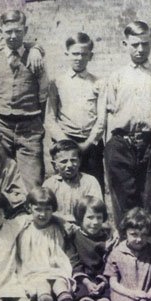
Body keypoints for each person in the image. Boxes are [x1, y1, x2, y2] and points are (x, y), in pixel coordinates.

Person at [102, 20, 151, 230]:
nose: (140, 49)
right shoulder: (116, 77)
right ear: (125, 44)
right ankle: (126, 243)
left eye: (145, 44)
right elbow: (108, 114)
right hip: (122, 143)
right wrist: (110, 148)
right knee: (124, 202)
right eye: (135, 44)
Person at [0, 9, 47, 189]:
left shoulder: (36, 59)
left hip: (29, 127)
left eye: (18, 31)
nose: (13, 36)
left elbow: (43, 94)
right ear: (0, 32)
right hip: (1, 125)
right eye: (8, 31)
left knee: (32, 180)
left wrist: (35, 48)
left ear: (25, 30)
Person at [45, 32, 105, 192]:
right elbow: (50, 118)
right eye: (75, 54)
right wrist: (65, 142)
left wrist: (87, 143)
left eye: (84, 54)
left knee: (93, 186)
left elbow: (101, 120)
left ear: (90, 56)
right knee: (65, 186)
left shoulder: (98, 83)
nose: (79, 58)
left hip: (90, 144)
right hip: (65, 141)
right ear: (67, 54)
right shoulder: (57, 82)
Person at [14, 187, 78, 301]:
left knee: (60, 284)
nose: (42, 214)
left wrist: (61, 221)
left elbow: (72, 226)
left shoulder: (56, 227)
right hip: (33, 271)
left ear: (53, 210)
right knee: (43, 285)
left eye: (48, 210)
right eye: (38, 209)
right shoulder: (23, 225)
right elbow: (7, 226)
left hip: (55, 268)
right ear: (29, 208)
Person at [65, 196, 111, 301]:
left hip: (102, 279)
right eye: (90, 218)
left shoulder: (107, 239)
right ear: (80, 218)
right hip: (82, 279)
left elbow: (109, 263)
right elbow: (74, 262)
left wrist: (102, 281)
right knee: (84, 298)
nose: (95, 222)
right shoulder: (74, 237)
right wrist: (87, 282)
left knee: (104, 300)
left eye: (99, 218)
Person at [42, 140, 102, 229]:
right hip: (56, 227)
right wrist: (62, 222)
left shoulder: (90, 181)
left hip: (83, 228)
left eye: (73, 160)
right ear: (54, 165)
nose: (69, 165)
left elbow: (96, 210)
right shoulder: (49, 184)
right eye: (64, 161)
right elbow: (44, 211)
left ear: (80, 161)